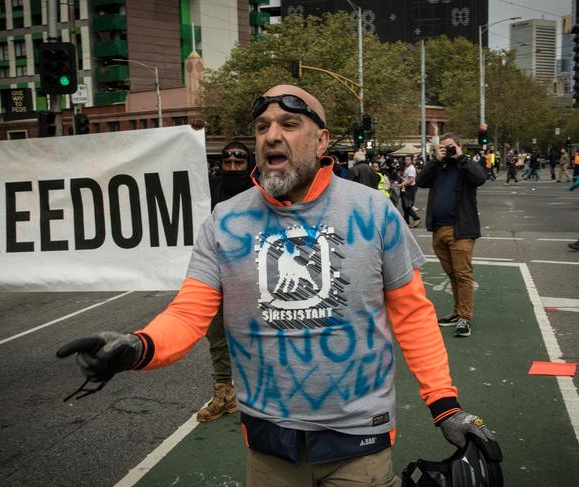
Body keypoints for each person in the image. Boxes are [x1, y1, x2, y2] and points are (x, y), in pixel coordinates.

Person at [57, 85, 495, 486]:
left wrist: (445, 405)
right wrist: (139, 347)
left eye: (289, 124)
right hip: (269, 447)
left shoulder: (374, 212)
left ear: (321, 141)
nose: (271, 135)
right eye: (262, 126)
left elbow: (413, 315)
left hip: (360, 439)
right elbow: (189, 313)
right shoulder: (224, 223)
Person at [196, 141, 255, 422]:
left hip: (252, 276)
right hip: (217, 274)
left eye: (238, 164)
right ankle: (224, 394)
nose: (232, 169)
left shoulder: (262, 191)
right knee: (217, 337)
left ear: (249, 164)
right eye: (227, 164)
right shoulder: (208, 188)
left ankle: (265, 393)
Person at [415, 133, 486, 338]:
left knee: (463, 274)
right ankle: (457, 312)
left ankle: (464, 317)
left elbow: (480, 178)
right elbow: (420, 181)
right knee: (452, 274)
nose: (448, 151)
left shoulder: (465, 167)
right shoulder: (438, 167)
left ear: (459, 146)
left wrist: (461, 157)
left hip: (460, 230)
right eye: (444, 148)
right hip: (439, 229)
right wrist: (435, 160)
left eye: (451, 147)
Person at [397, 155, 422, 228]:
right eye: (405, 159)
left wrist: (402, 184)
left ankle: (416, 218)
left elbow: (411, 180)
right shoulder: (407, 167)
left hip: (409, 188)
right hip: (405, 187)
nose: (406, 161)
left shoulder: (411, 168)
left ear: (411, 161)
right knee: (404, 206)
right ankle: (406, 222)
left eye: (408, 160)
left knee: (407, 205)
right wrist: (400, 177)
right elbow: (406, 178)